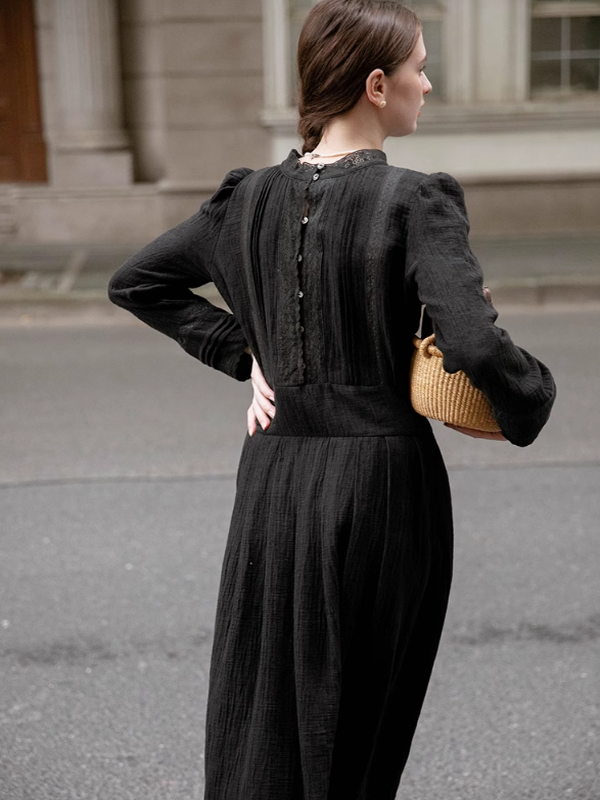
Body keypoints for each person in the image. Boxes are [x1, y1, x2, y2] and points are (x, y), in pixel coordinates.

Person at [107, 1, 556, 797]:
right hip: (384, 486)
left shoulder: (246, 199)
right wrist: (529, 401)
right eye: (419, 66)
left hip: (273, 481)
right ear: (377, 85)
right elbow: (477, 345)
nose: (429, 81)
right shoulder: (417, 200)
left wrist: (251, 355)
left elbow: (138, 281)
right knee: (363, 722)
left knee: (266, 708)